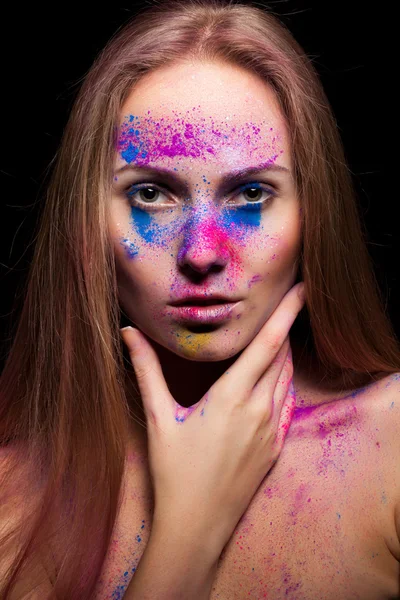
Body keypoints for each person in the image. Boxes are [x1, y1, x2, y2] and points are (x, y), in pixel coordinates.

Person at [0, 0, 399, 598]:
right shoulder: (13, 492)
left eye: (250, 193)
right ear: (86, 221)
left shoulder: (389, 450)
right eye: (154, 194)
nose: (202, 252)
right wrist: (188, 529)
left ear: (314, 213)